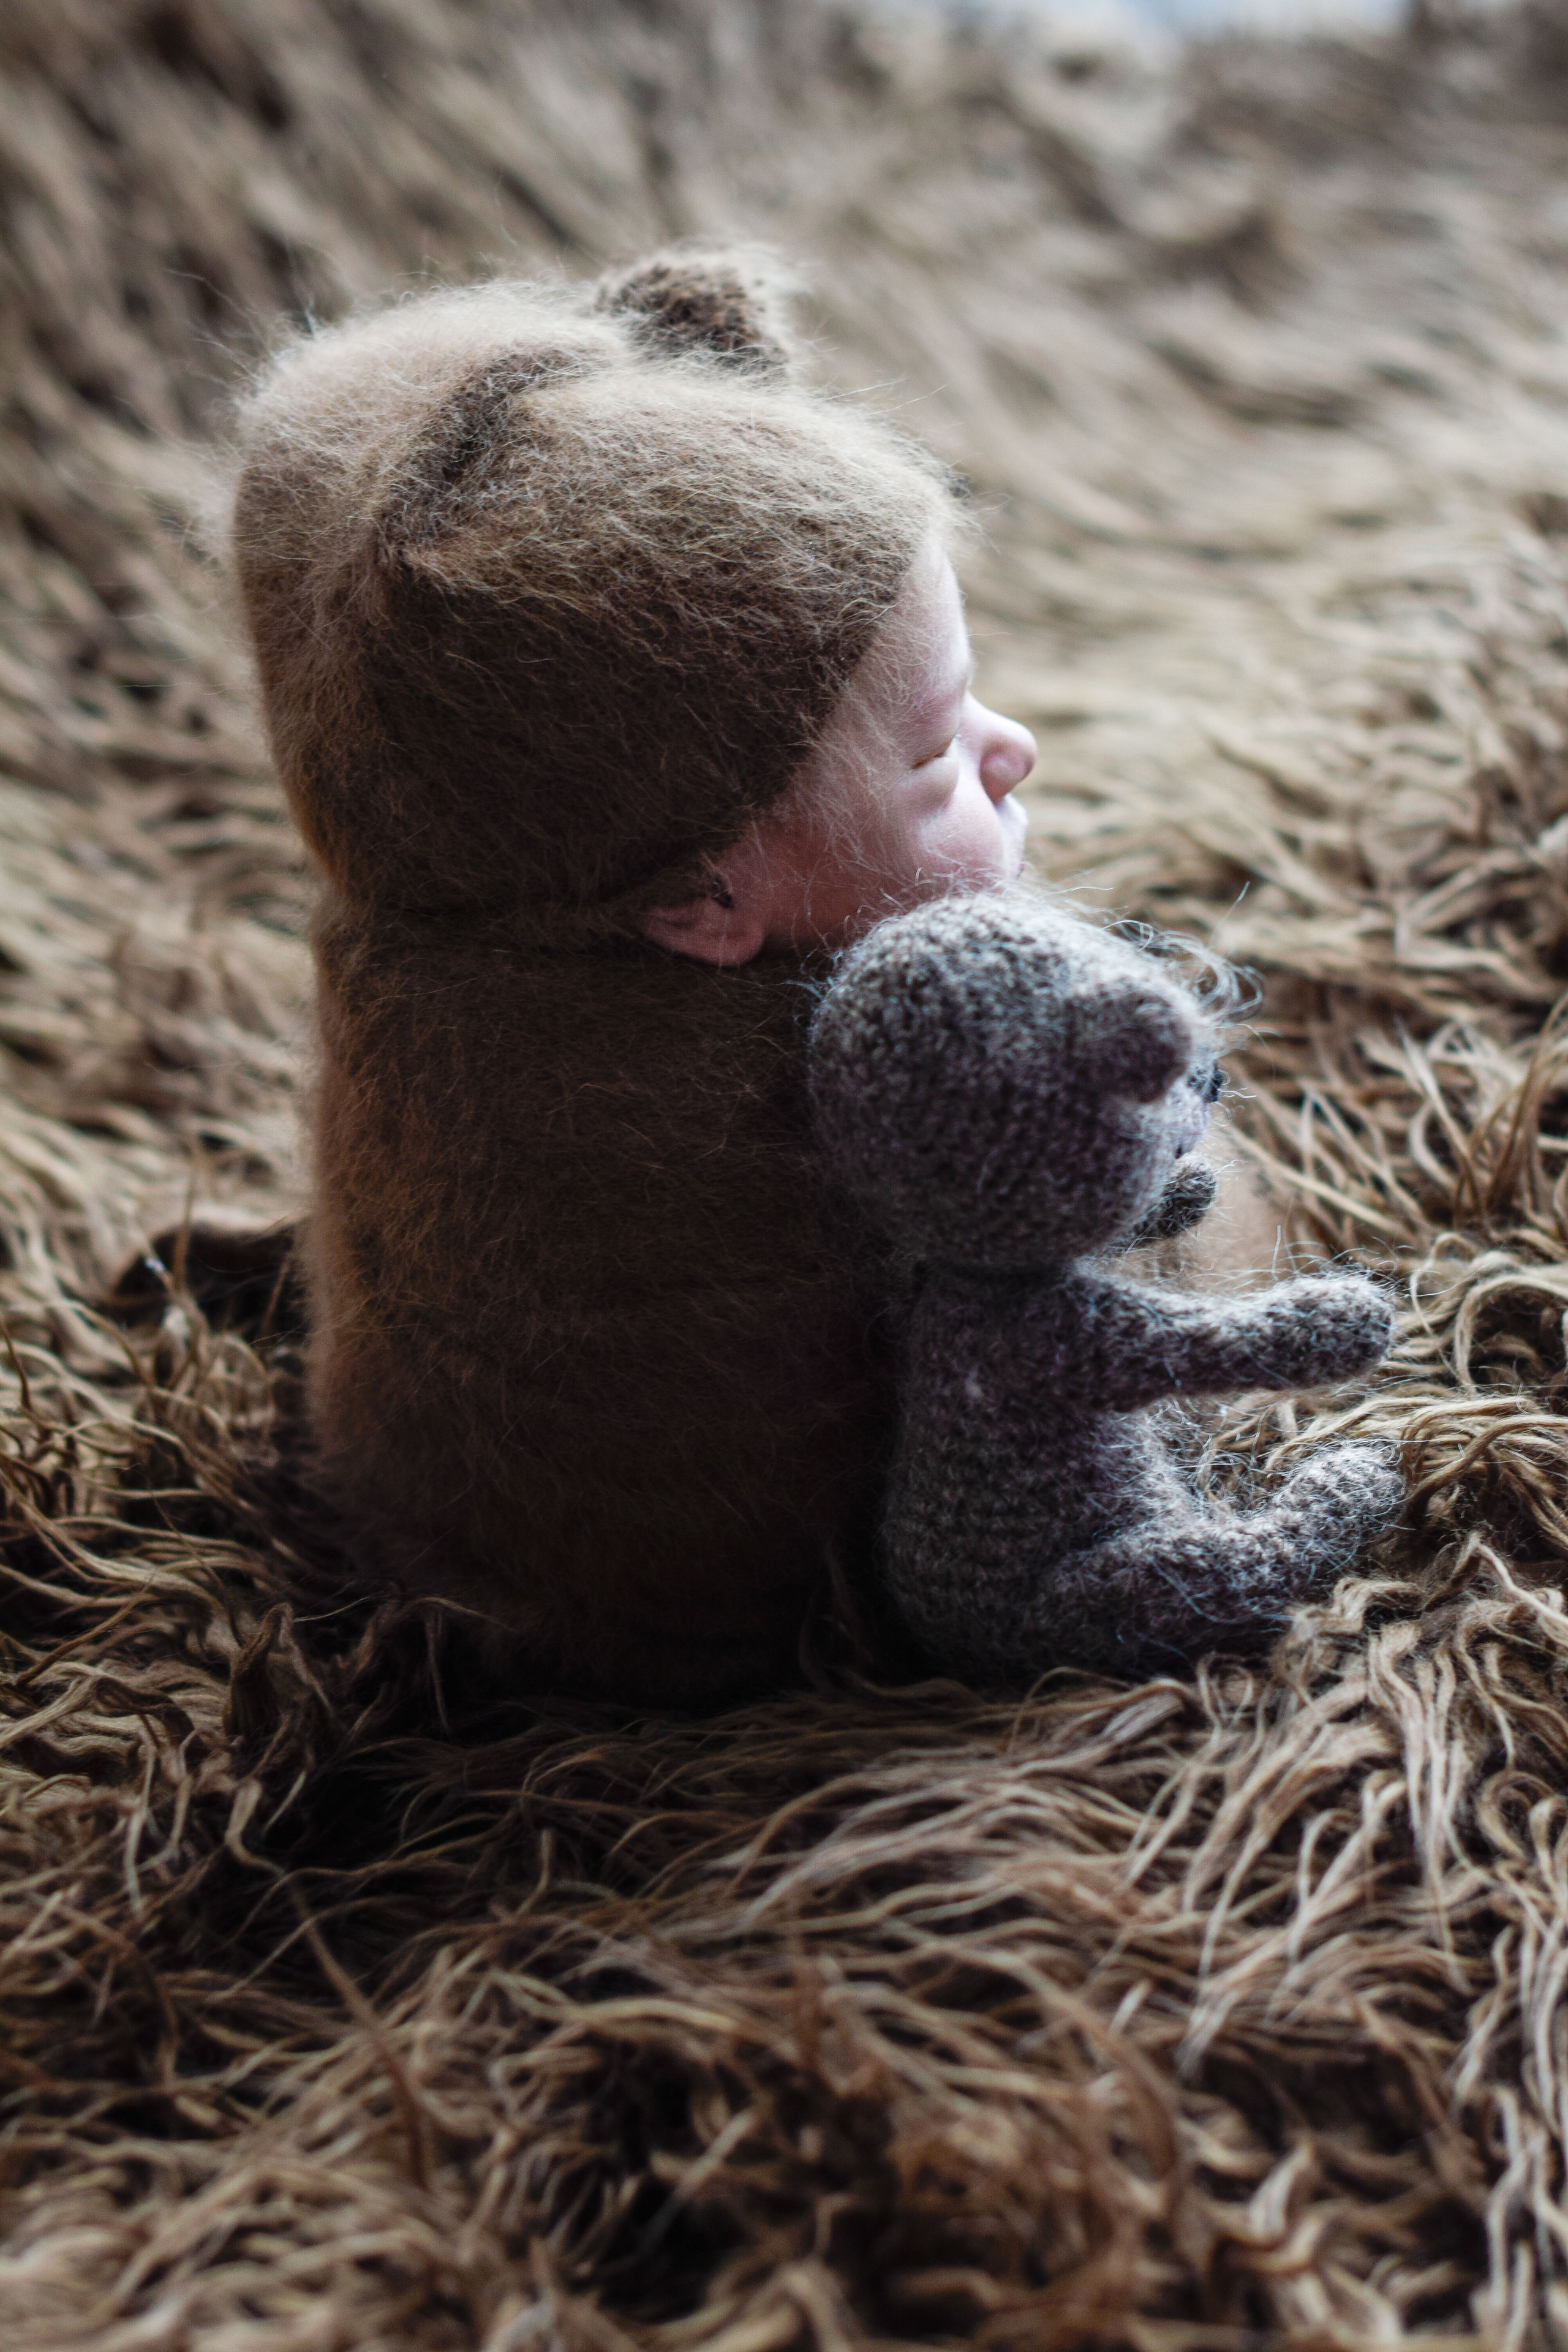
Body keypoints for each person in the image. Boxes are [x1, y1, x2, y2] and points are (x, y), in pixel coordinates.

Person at [228, 243, 1036, 1705]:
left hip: (419, 1483)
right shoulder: (739, 1136)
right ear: (699, 899)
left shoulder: (435, 929)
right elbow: (1114, 1262)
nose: (1012, 751)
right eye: (936, 755)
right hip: (739, 1633)